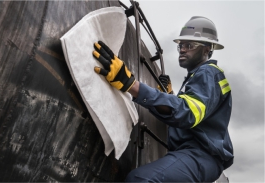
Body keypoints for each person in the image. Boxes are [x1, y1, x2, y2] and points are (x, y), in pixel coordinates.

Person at [92, 16, 233, 182]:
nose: (182, 49)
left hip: (201, 154)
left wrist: (131, 85)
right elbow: (190, 113)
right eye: (181, 45)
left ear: (206, 49)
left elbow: (187, 112)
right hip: (191, 154)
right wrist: (170, 96)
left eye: (189, 45)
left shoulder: (209, 73)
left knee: (140, 180)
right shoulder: (197, 78)